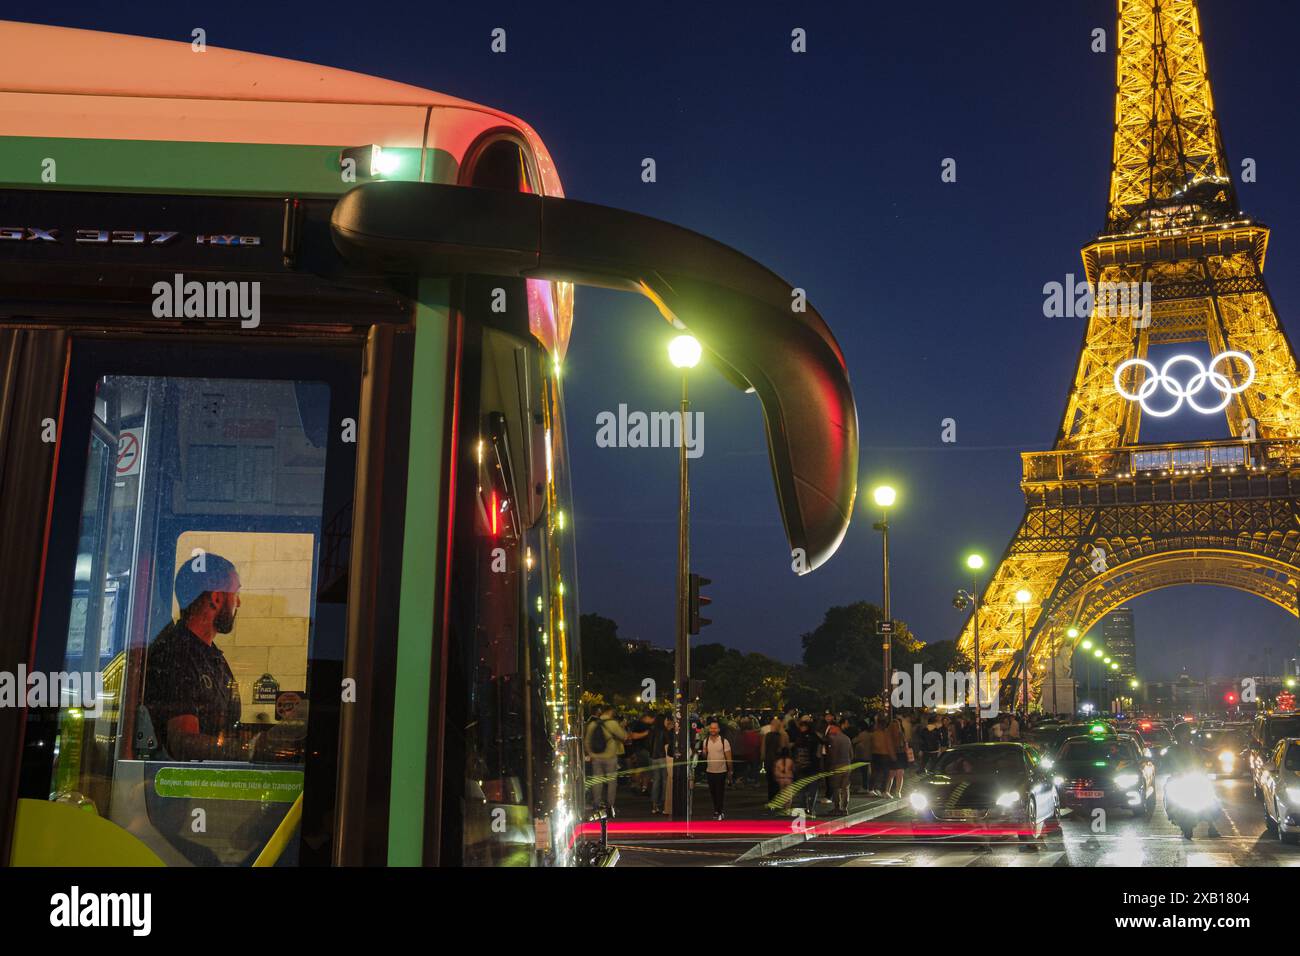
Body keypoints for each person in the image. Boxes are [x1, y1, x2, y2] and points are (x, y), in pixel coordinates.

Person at [144, 554, 265, 762]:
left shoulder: (211, 656)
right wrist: (250, 750)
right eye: (235, 592)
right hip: (183, 787)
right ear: (216, 598)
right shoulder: (176, 655)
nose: (239, 602)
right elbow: (183, 742)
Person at [584, 705, 629, 812]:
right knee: (611, 782)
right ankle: (610, 806)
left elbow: (586, 741)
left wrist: (591, 754)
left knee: (597, 781)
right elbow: (624, 736)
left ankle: (596, 805)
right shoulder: (613, 723)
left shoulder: (593, 724)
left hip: (596, 757)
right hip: (610, 757)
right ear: (610, 712)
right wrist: (622, 727)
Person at [700, 720, 733, 819]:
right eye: (711, 728)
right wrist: (703, 752)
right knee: (713, 792)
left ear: (718, 729)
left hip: (721, 771)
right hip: (710, 770)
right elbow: (705, 756)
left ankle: (719, 811)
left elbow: (729, 757)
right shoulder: (706, 741)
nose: (713, 730)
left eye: (715, 728)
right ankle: (716, 809)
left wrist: (730, 771)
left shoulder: (724, 741)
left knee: (719, 792)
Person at [791, 717, 822, 816]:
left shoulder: (799, 738)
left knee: (802, 790)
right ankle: (810, 808)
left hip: (802, 767)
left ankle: (803, 809)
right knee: (812, 789)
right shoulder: (815, 737)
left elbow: (795, 751)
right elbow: (819, 752)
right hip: (813, 766)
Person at [648, 715, 675, 814]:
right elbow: (668, 744)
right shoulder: (664, 731)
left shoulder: (652, 730)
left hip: (653, 758)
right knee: (664, 781)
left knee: (656, 781)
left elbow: (649, 744)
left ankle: (654, 805)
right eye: (666, 720)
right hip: (663, 757)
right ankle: (664, 804)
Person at [826, 723, 854, 814]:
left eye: (831, 728)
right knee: (845, 788)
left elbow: (833, 754)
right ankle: (844, 808)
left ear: (836, 728)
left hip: (837, 765)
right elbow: (851, 754)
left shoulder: (834, 739)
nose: (830, 731)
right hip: (847, 764)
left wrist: (831, 765)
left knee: (836, 787)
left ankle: (837, 808)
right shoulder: (847, 738)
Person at [763, 715, 789, 801]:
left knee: (770, 782)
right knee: (778, 782)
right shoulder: (783, 735)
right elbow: (784, 748)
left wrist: (763, 760)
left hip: (769, 761)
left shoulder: (767, 736)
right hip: (779, 762)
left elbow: (763, 750)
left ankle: (771, 799)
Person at [773, 747, 795, 811]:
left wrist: (777, 777)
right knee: (789, 794)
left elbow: (776, 771)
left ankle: (784, 806)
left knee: (782, 793)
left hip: (781, 779)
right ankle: (787, 807)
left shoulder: (778, 761)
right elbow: (793, 769)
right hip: (788, 778)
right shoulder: (790, 761)